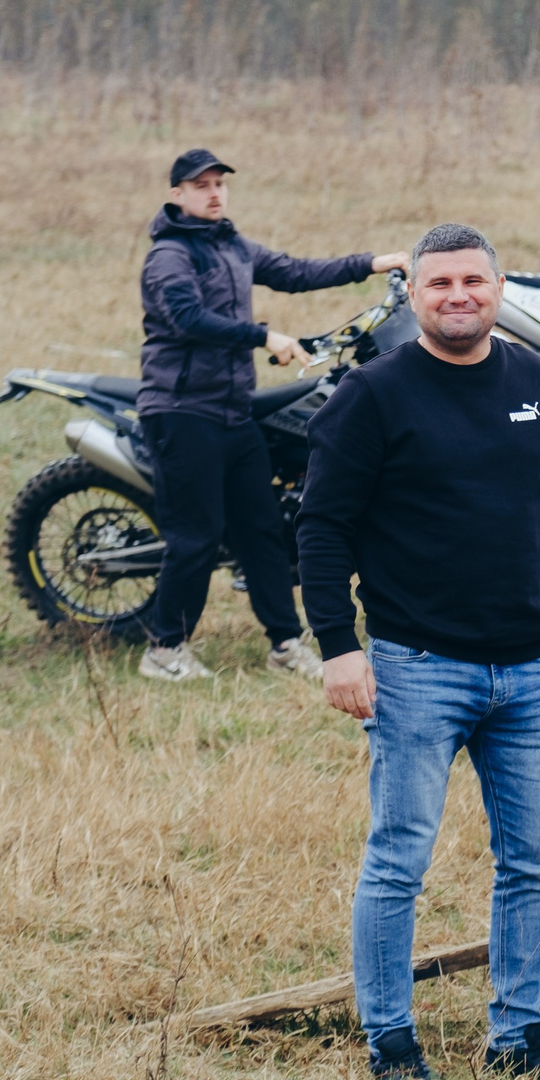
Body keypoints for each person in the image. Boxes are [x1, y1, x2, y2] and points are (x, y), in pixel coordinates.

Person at [297, 223, 540, 1080]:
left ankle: (518, 1043)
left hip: (527, 672)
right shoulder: (373, 395)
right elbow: (321, 527)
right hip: (413, 668)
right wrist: (338, 647)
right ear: (413, 295)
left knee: (532, 861)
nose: (457, 298)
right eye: (438, 285)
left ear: (499, 287)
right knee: (399, 858)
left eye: (472, 281)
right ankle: (392, 1048)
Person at [136, 148, 408, 683]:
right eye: (201, 185)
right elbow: (189, 319)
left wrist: (372, 263)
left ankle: (284, 643)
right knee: (197, 535)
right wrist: (266, 336)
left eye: (219, 183)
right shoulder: (169, 256)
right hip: (181, 411)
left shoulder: (230, 244)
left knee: (261, 531)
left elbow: (292, 271)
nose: (214, 193)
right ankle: (164, 648)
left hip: (231, 411)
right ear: (178, 195)